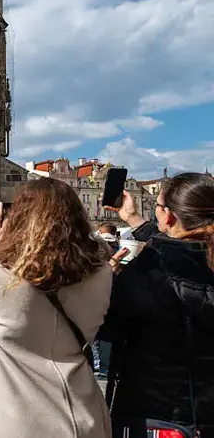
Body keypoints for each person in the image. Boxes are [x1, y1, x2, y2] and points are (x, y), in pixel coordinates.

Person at [0, 178, 112, 437]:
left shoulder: (2, 276)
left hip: (17, 419)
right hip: (80, 411)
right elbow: (94, 247)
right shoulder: (101, 273)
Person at [102, 173, 214, 436]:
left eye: (158, 208)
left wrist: (106, 282)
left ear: (169, 216)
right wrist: (134, 220)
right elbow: (186, 247)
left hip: (161, 415)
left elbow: (107, 328)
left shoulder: (152, 267)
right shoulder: (189, 258)